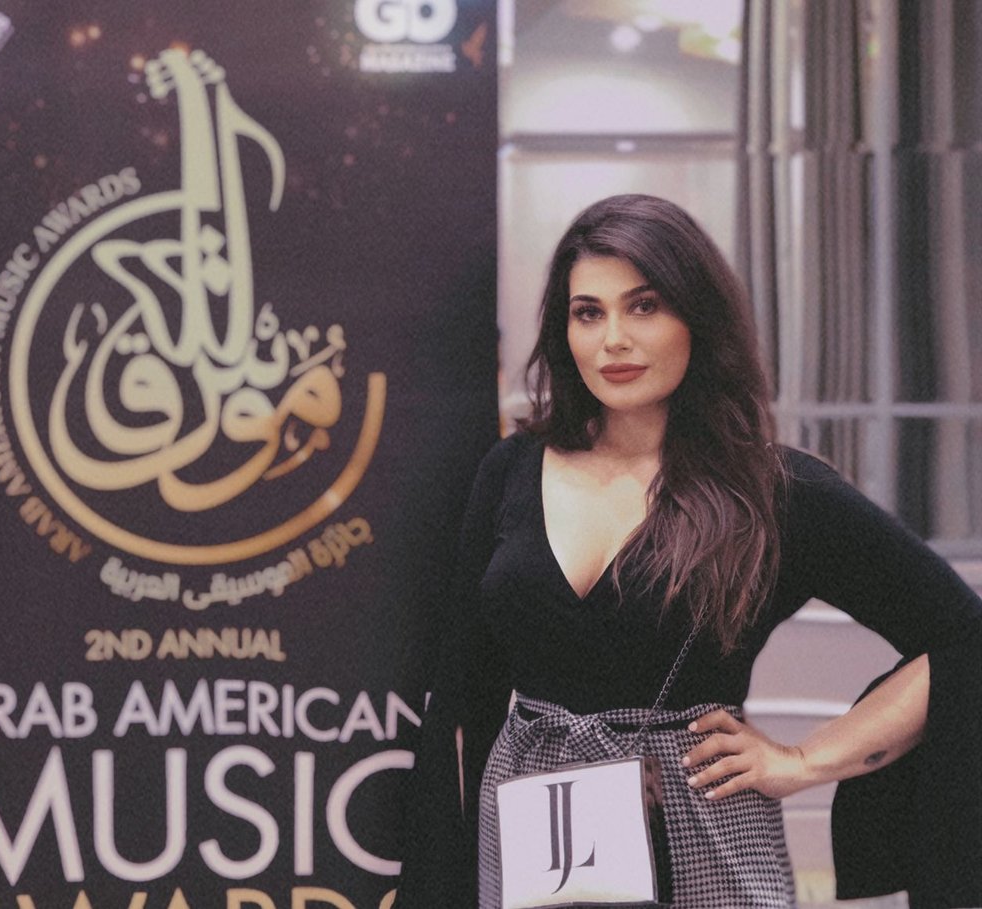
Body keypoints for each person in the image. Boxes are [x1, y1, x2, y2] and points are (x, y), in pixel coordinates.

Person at [399, 194, 982, 907]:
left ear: (698, 319)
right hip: (531, 839)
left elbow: (963, 636)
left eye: (644, 306)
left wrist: (805, 759)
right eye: (588, 312)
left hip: (702, 834)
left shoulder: (774, 491)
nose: (614, 339)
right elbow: (464, 694)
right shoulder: (512, 469)